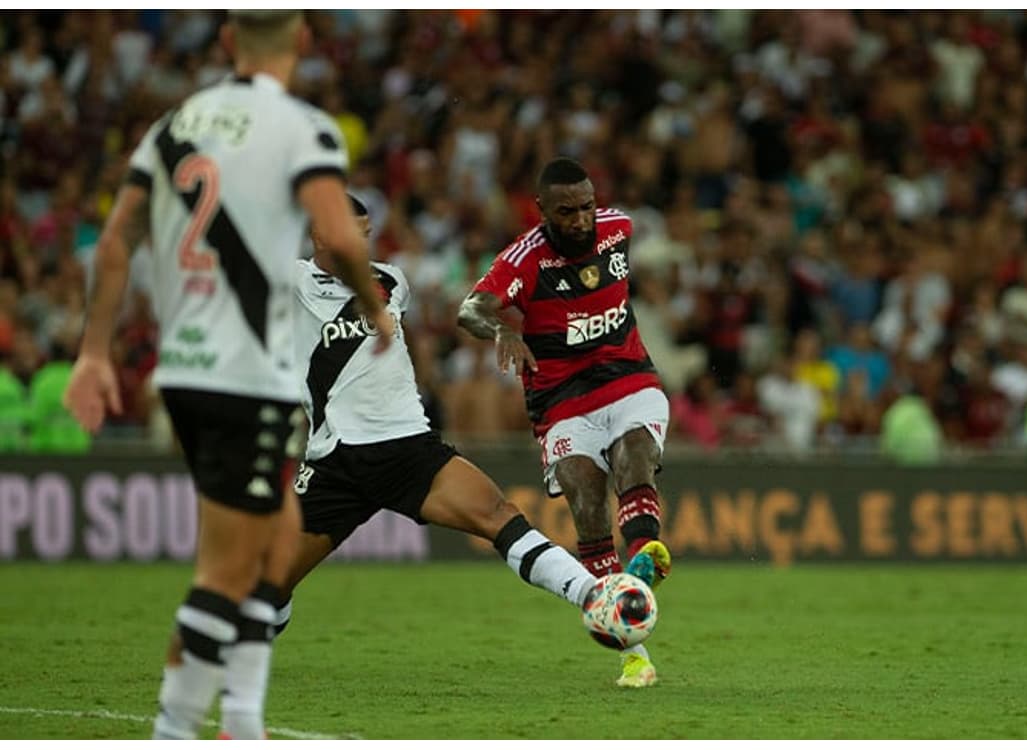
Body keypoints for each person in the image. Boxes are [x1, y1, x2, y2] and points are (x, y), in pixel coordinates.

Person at [63, 11, 394, 740]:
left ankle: (242, 720)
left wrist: (93, 352)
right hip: (249, 375)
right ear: (302, 43)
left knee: (276, 547)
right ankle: (175, 729)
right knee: (227, 570)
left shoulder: (173, 127)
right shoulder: (304, 127)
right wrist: (377, 309)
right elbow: (338, 233)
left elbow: (116, 241)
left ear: (225, 43)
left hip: (183, 373)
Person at [277, 194, 605, 650]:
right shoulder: (290, 282)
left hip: (408, 448)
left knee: (500, 516)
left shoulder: (391, 281)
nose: (365, 242)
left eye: (368, 233)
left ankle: (597, 595)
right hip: (336, 461)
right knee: (265, 588)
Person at [458, 157, 672, 688]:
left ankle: (645, 556)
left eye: (586, 207)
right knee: (584, 493)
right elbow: (469, 310)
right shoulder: (525, 258)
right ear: (543, 211)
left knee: (635, 453)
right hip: (560, 401)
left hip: (628, 380)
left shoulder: (618, 229)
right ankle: (631, 647)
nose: (580, 220)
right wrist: (500, 329)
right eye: (566, 212)